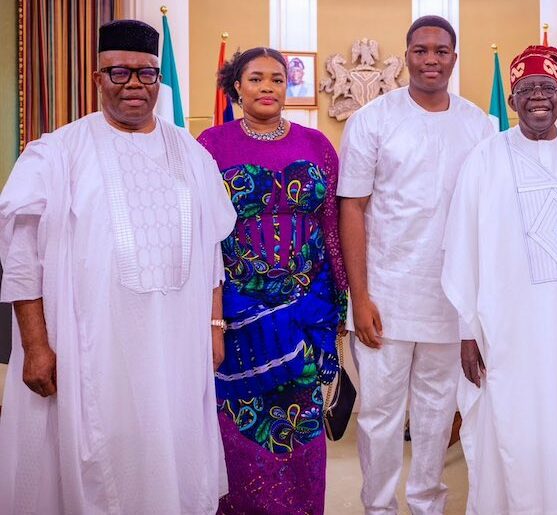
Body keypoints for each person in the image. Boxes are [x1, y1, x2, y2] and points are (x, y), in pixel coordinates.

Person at [0, 20, 235, 514]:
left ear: (159, 79)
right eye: (119, 72)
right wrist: (36, 345)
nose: (134, 83)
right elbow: (21, 256)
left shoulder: (192, 155)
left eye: (146, 73)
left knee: (172, 446)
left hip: (176, 345)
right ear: (97, 77)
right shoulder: (57, 152)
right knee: (97, 457)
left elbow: (211, 244)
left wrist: (215, 325)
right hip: (88, 347)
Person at [441, 44, 557, 514]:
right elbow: (463, 253)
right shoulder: (484, 160)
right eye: (527, 89)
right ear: (512, 101)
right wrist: (468, 333)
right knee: (513, 425)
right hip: (508, 332)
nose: (539, 97)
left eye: (548, 88)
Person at [337, 15, 494, 514]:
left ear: (454, 57)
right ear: (406, 56)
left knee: (434, 414)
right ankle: (379, 507)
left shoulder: (480, 125)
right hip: (385, 296)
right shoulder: (374, 119)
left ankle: (427, 504)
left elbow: (486, 218)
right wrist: (359, 297)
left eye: (441, 50)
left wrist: (475, 309)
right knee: (379, 415)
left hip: (449, 300)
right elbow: (352, 208)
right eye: (421, 50)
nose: (431, 59)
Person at [198, 47, 347, 514]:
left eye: (277, 79)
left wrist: (336, 303)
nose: (268, 87)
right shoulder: (209, 144)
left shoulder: (317, 143)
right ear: (236, 86)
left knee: (303, 432)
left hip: (306, 310)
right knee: (240, 430)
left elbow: (332, 227)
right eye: (256, 78)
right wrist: (214, 317)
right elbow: (201, 235)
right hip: (239, 311)